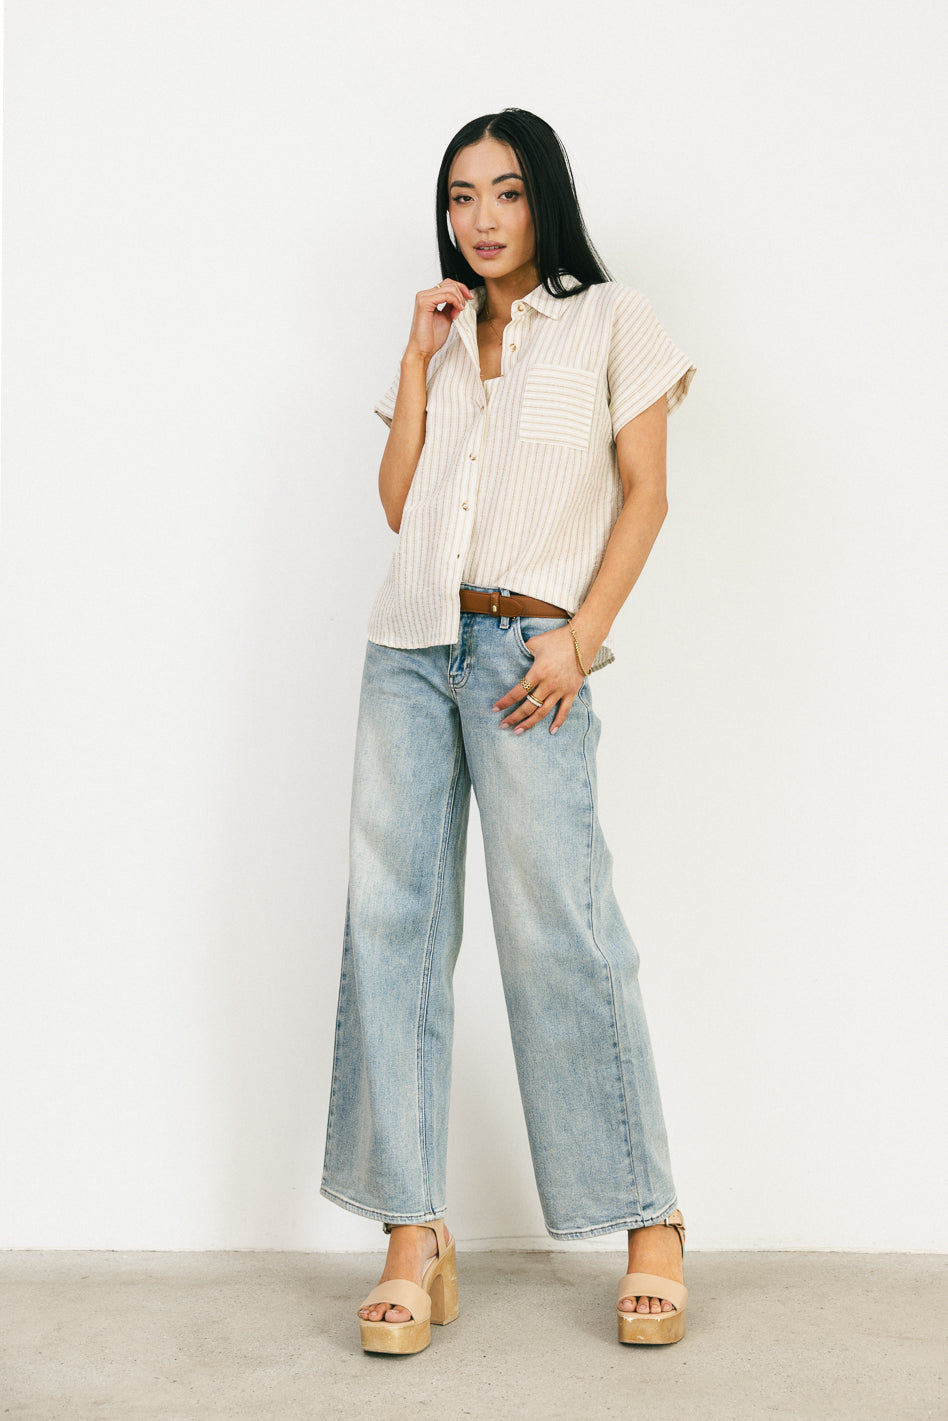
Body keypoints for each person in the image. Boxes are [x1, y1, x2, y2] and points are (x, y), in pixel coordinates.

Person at [320, 107, 696, 1355]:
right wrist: (413, 353)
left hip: (528, 652)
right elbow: (398, 503)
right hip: (408, 649)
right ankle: (412, 1232)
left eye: (507, 191)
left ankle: (650, 1217)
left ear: (546, 200)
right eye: (461, 195)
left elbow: (646, 492)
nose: (481, 218)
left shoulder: (610, 318)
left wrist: (581, 636)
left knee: (562, 932)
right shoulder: (439, 336)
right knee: (391, 932)